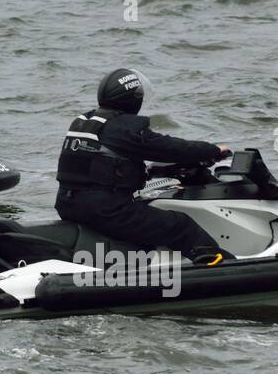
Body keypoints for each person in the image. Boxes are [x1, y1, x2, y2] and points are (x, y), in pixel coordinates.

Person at [55, 68, 233, 265]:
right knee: (181, 226)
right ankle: (226, 270)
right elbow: (170, 148)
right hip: (105, 211)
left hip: (68, 205)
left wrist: (146, 172)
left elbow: (97, 165)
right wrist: (213, 150)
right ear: (133, 99)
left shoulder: (86, 122)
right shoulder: (124, 128)